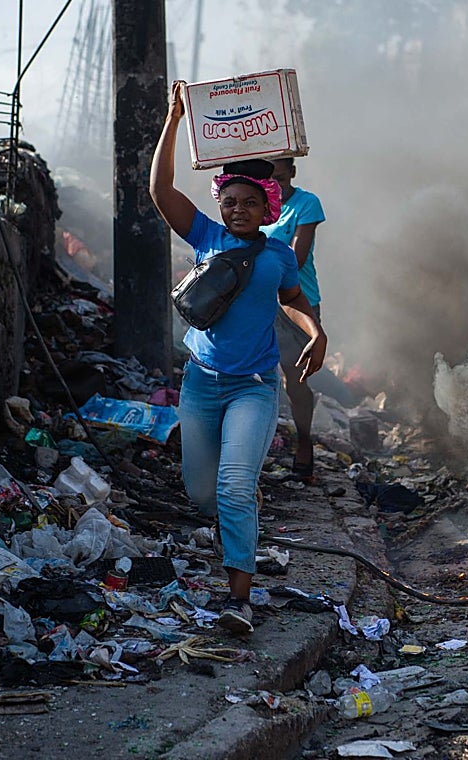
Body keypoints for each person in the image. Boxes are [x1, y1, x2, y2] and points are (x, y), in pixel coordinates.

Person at [149, 80, 327, 636]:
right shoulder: (204, 236)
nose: (239, 209)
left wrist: (316, 332)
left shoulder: (278, 256)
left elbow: (292, 300)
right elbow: (160, 189)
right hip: (201, 384)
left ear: (267, 207)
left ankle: (239, 600)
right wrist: (175, 119)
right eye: (231, 202)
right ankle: (241, 510)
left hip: (253, 386)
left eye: (250, 202)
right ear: (220, 206)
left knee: (232, 486)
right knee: (202, 492)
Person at [261, 158, 326, 482]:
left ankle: (304, 441)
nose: (276, 185)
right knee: (255, 377)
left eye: (281, 178)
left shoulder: (305, 204)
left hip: (298, 303)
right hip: (259, 301)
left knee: (295, 379)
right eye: (269, 179)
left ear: (292, 174)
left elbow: (295, 260)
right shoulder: (253, 202)